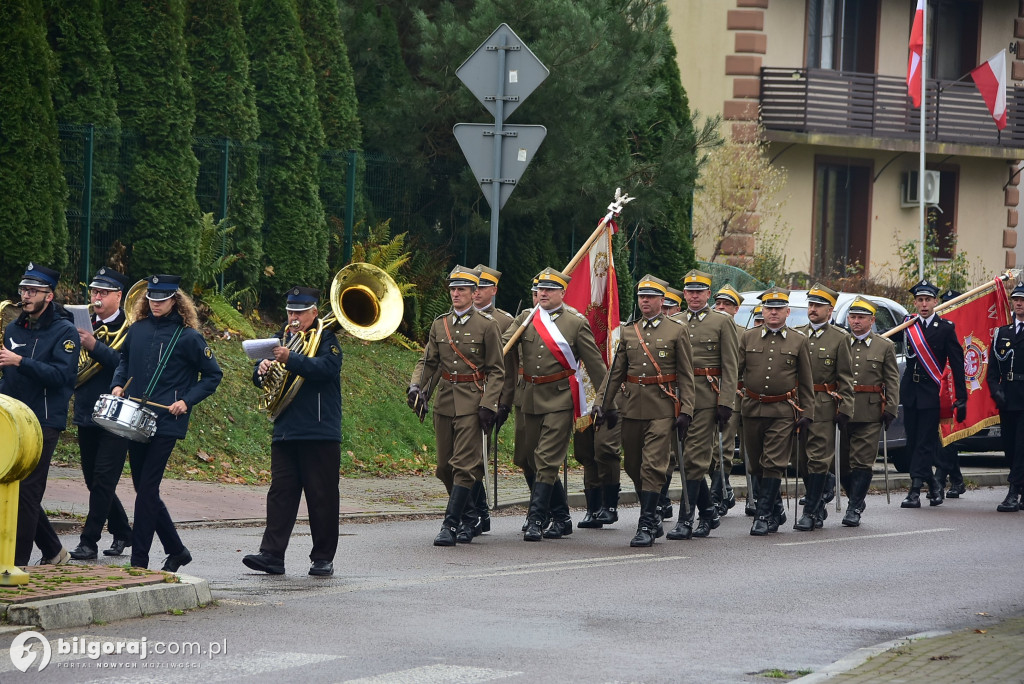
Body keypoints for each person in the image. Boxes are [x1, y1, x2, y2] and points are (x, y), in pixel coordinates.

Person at [110, 275, 222, 570]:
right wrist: (118, 384)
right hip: (135, 418)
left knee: (147, 489)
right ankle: (177, 551)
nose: (155, 304)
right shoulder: (137, 330)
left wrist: (186, 400)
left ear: (175, 300)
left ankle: (139, 562)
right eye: (151, 299)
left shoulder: (188, 337)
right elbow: (123, 361)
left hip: (167, 421)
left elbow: (212, 375)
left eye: (162, 299)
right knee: (143, 489)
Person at [243, 286, 343, 576]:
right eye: (290, 312)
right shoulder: (284, 339)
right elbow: (270, 380)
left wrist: (291, 359)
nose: (293, 317)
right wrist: (260, 370)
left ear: (314, 312)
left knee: (321, 497)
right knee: (280, 494)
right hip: (286, 430)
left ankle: (323, 557)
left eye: (299, 312)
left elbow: (326, 369)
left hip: (319, 430)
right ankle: (271, 555)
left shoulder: (327, 339)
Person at [503, 268, 606, 541]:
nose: (543, 294)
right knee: (526, 459)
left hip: (560, 397)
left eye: (550, 290)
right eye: (540, 289)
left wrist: (606, 400)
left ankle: (537, 518)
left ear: (562, 292)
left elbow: (596, 366)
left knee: (546, 460)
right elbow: (504, 346)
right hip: (528, 397)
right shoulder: (526, 317)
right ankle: (561, 516)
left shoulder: (575, 322)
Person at [593, 275, 694, 547]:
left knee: (652, 466)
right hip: (632, 408)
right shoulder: (629, 331)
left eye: (650, 297)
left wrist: (687, 410)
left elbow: (686, 375)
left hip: (662, 408)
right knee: (633, 464)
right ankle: (654, 511)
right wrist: (601, 403)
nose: (645, 301)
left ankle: (647, 522)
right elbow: (616, 373)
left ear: (662, 300)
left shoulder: (676, 330)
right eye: (641, 297)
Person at [408, 266, 504, 546]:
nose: (456, 293)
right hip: (445, 401)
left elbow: (497, 370)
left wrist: (490, 403)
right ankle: (470, 515)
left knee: (464, 465)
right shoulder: (440, 324)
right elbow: (428, 362)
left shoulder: (488, 325)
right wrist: (417, 387)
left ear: (475, 293)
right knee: (443, 468)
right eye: (452, 289)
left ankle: (450, 524)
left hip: (473, 403)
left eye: (462, 289)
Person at [0, 263, 79, 566]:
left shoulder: (65, 331)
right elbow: (10, 374)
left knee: (27, 493)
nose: (25, 295)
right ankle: (53, 550)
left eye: (33, 291)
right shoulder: (13, 328)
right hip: (11, 420)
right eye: (23, 289)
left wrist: (19, 361)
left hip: (43, 421)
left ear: (49, 295)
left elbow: (62, 376)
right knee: (11, 486)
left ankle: (14, 565)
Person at [666, 270, 738, 541]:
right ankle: (708, 511)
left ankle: (686, 518)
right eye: (690, 291)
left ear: (709, 294)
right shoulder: (674, 321)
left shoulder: (721, 322)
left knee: (694, 460)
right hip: (678, 399)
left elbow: (730, 366)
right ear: (684, 294)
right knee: (683, 457)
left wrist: (726, 402)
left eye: (700, 291)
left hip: (708, 398)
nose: (694, 296)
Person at [69, 268, 134, 560]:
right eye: (95, 292)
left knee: (104, 479)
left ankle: (88, 541)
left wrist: (94, 346)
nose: (97, 297)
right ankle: (122, 530)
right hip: (86, 409)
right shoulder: (81, 323)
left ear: (118, 296)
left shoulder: (130, 327)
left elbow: (126, 364)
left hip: (116, 413)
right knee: (92, 479)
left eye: (104, 293)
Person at [737, 288, 814, 536]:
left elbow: (806, 380)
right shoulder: (748, 338)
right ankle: (775, 510)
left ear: (787, 312)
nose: (773, 312)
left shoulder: (798, 340)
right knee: (756, 465)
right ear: (762, 310)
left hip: (783, 409)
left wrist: (807, 412)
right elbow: (735, 373)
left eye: (778, 309)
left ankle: (761, 515)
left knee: (773, 462)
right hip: (752, 407)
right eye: (769, 308)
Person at [791, 284, 854, 531]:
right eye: (811, 305)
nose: (813, 309)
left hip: (824, 404)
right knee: (800, 459)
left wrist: (845, 408)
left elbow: (846, 377)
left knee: (818, 459)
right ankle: (817, 504)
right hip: (798, 403)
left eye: (818, 305)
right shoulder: (796, 334)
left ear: (830, 310)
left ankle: (810, 511)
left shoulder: (839, 338)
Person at [900, 279, 966, 508]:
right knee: (912, 442)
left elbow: (957, 364)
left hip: (930, 393)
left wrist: (962, 397)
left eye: (928, 299)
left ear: (935, 302)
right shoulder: (907, 325)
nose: (924, 304)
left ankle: (915, 490)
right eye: (920, 300)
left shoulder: (946, 328)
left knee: (925, 443)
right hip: (910, 391)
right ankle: (934, 484)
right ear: (915, 303)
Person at [840, 297, 899, 526]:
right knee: (842, 462)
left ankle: (854, 507)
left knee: (862, 462)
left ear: (871, 320)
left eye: (861, 318)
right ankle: (856, 496)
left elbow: (892, 380)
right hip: (842, 411)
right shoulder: (841, 342)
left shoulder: (884, 346)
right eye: (853, 317)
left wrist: (891, 409)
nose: (856, 321)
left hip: (870, 411)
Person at [468, 264, 514, 537]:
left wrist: (502, 403)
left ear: (493, 290)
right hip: (463, 396)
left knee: (477, 458)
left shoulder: (505, 322)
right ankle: (480, 511)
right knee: (465, 460)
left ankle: (477, 513)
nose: (477, 293)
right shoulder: (456, 319)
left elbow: (507, 369)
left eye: (483, 287)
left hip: (489, 399)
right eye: (474, 287)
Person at [988, 282, 1024, 512]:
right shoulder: (1002, 332)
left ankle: (1013, 491)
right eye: (1016, 300)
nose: (1019, 304)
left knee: (1021, 446)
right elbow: (992, 370)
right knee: (1009, 446)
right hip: (1008, 396)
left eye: (1022, 300)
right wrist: (995, 390)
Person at [711, 283, 744, 514]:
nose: (722, 307)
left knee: (723, 445)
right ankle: (725, 488)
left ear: (736, 310)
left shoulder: (743, 333)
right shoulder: (708, 327)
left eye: (728, 305)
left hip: (733, 396)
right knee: (707, 448)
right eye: (719, 303)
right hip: (705, 394)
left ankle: (718, 494)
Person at [936, 289, 967, 499]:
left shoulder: (958, 329)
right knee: (942, 438)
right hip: (936, 389)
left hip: (954, 390)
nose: (947, 309)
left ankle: (941, 479)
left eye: (952, 305)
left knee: (949, 437)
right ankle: (956, 479)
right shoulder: (938, 329)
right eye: (945, 305)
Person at [657, 286, 685, 519]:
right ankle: (661, 500)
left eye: (669, 308)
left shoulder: (677, 330)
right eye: (663, 308)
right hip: (655, 401)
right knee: (660, 454)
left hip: (678, 399)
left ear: (677, 308)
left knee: (685, 457)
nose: (665, 312)